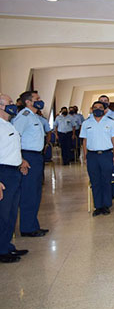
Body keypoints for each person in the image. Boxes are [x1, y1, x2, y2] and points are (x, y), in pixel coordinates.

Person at [11, 90, 49, 237]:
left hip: (36, 157)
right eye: (37, 99)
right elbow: (15, 137)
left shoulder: (35, 116)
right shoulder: (24, 117)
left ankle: (33, 224)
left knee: (35, 192)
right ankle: (27, 228)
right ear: (28, 102)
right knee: (28, 193)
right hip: (28, 157)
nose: (40, 101)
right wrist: (21, 159)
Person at [0, 94, 29, 263]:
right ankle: (1, 250)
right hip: (3, 173)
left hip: (13, 171)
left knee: (11, 213)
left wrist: (21, 161)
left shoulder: (9, 125)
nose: (13, 105)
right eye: (9, 103)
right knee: (3, 213)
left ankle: (7, 245)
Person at [80, 101, 114, 216]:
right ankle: (98, 206)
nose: (98, 109)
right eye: (95, 107)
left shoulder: (110, 122)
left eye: (100, 107)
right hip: (92, 155)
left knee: (106, 181)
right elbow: (84, 141)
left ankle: (106, 205)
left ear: (104, 109)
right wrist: (85, 156)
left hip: (106, 154)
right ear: (92, 109)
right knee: (95, 181)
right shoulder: (86, 123)